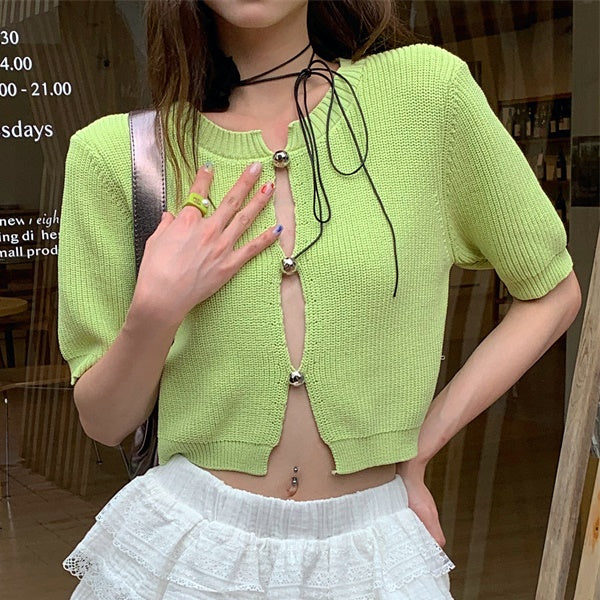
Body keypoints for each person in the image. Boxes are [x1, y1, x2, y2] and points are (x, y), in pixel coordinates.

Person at [57, 0, 581, 598]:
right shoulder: (121, 156)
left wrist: (419, 448)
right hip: (188, 553)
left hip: (373, 551)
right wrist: (156, 309)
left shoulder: (426, 96)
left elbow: (552, 291)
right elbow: (104, 420)